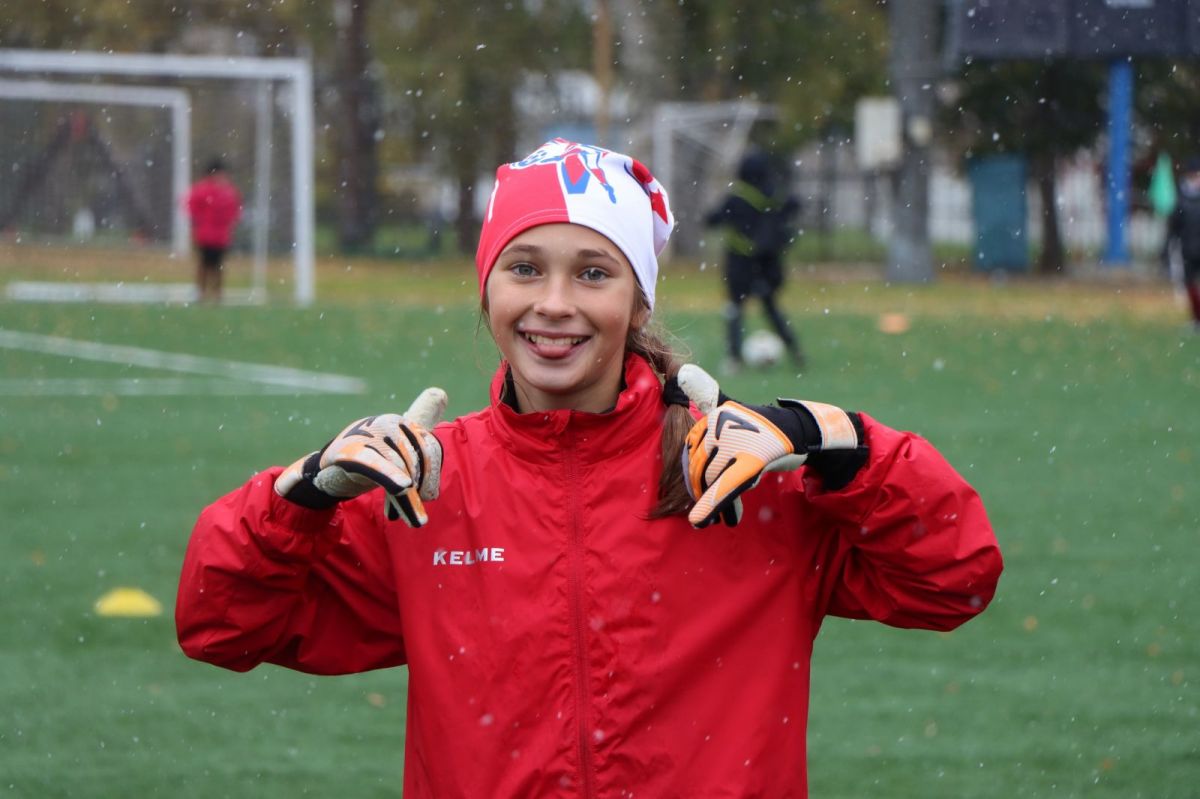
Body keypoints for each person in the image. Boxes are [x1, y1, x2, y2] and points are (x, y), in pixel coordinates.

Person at [176, 138, 1002, 797]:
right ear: (487, 290)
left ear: (639, 303)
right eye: (525, 267)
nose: (555, 303)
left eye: (594, 273)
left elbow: (952, 576)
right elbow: (220, 622)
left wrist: (832, 437)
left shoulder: (739, 474)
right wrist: (301, 494)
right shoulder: (427, 489)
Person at [705, 147, 804, 372]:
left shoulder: (737, 199)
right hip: (768, 264)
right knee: (771, 309)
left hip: (740, 264)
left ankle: (734, 358)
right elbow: (795, 207)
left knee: (735, 309)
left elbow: (712, 220)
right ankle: (796, 352)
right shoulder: (776, 196)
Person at [184, 158, 242, 303]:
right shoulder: (203, 190)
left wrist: (229, 224)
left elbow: (235, 210)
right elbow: (192, 207)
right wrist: (199, 222)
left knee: (218, 266)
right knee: (204, 265)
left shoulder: (228, 191)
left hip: (221, 237)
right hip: (205, 235)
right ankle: (201, 293)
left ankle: (217, 294)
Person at [1165, 157, 1200, 330]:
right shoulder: (1181, 198)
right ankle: (1197, 318)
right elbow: (1174, 227)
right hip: (1189, 249)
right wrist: (1166, 249)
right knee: (1190, 284)